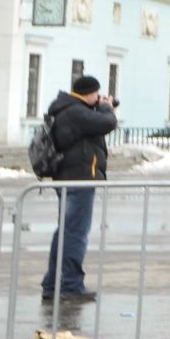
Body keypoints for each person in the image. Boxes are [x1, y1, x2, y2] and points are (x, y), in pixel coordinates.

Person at [42, 74, 118, 302]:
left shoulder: (68, 108)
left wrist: (102, 107)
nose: (99, 98)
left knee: (65, 231)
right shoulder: (74, 112)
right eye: (97, 94)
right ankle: (70, 284)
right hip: (78, 180)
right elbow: (107, 123)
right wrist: (106, 108)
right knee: (75, 233)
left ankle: (53, 283)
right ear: (89, 93)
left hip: (71, 178)